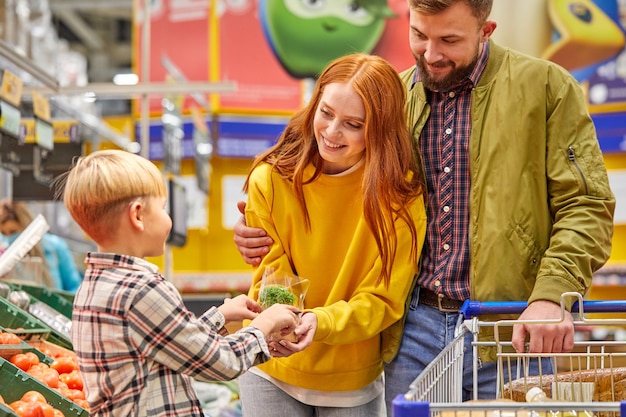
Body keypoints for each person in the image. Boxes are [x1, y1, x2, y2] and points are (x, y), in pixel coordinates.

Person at [233, 0, 616, 414]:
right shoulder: (389, 98)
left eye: (449, 40)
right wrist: (261, 224)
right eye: (419, 35)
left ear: (486, 30)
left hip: (509, 324)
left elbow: (586, 204)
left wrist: (551, 295)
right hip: (412, 329)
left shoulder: (546, 88)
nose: (431, 54)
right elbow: (330, 185)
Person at [237, 53, 427, 417]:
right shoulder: (271, 180)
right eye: (326, 112)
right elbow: (272, 276)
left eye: (353, 124)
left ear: (380, 128)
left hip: (350, 380)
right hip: (269, 365)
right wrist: (288, 324)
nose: (332, 132)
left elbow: (384, 299)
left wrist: (320, 322)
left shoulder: (400, 199)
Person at [56, 149, 301, 417]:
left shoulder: (93, 286)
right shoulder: (141, 289)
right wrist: (263, 326)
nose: (167, 217)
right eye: (162, 208)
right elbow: (219, 363)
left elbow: (166, 342)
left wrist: (220, 316)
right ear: (137, 215)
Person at [0, 199, 83, 293]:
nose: (8, 237)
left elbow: (74, 287)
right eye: (3, 233)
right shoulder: (4, 256)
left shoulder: (55, 247)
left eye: (13, 231)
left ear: (25, 227)